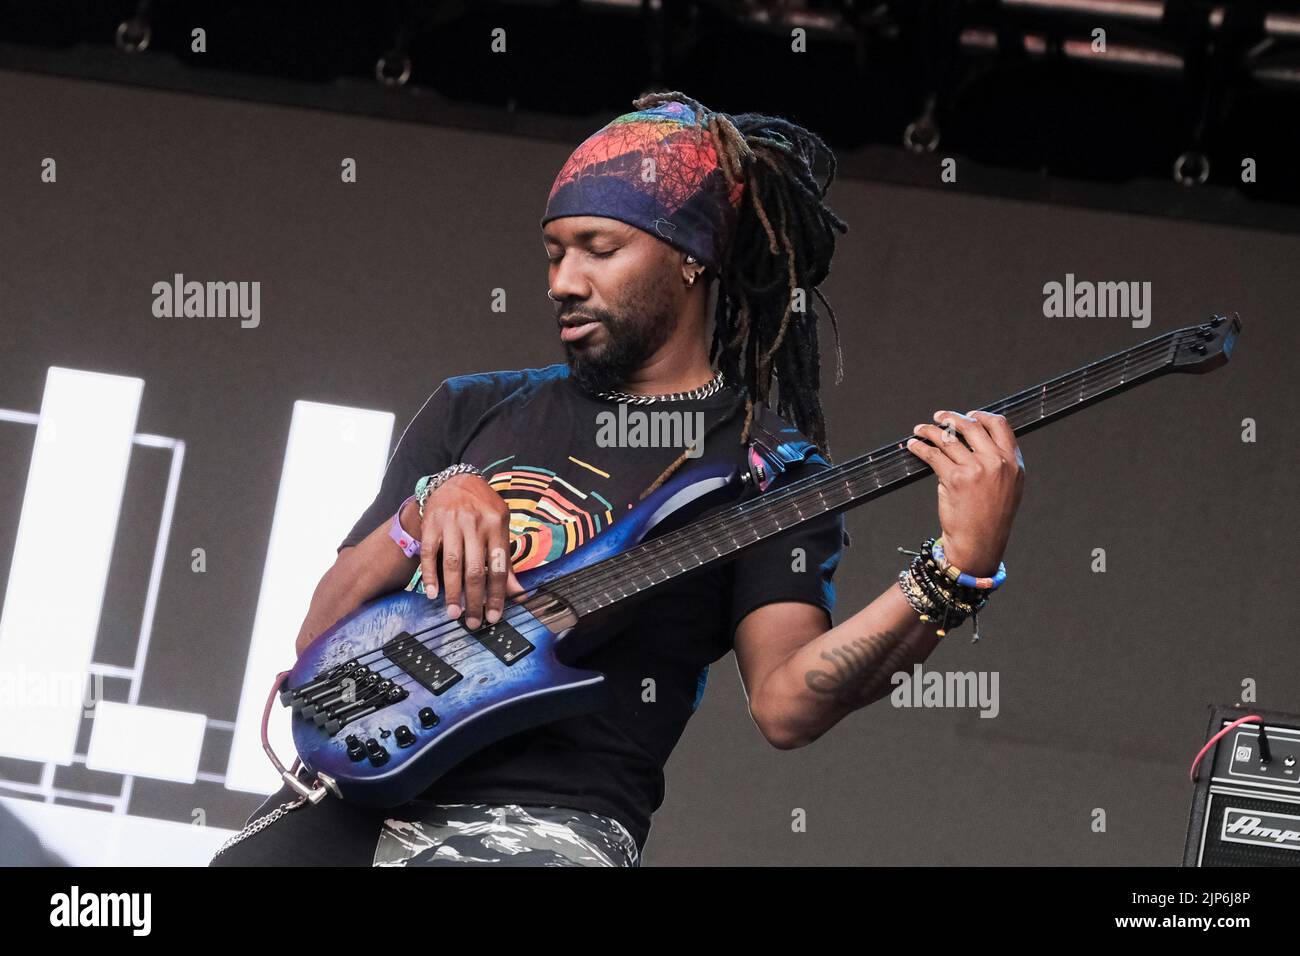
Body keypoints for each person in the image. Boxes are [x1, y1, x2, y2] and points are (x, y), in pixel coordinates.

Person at [211, 90, 1023, 867]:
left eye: (600, 249)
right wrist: (425, 509)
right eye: (555, 252)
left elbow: (789, 701)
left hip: (547, 825)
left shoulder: (767, 468)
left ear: (691, 259)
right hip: (342, 801)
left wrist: (953, 574)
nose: (564, 280)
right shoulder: (474, 409)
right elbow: (319, 634)